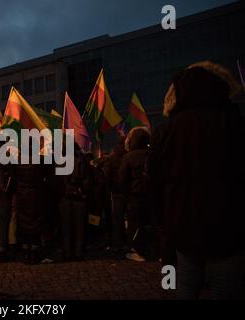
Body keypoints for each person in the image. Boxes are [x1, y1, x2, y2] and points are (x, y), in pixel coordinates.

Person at [148, 62, 245, 299]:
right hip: (229, 231)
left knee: (186, 289)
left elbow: (155, 183)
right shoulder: (237, 123)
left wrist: (165, 223)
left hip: (183, 230)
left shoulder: (167, 129)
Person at [119, 127, 153, 262]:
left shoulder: (128, 157)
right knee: (150, 223)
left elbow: (123, 178)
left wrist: (126, 193)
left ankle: (137, 251)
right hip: (151, 195)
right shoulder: (151, 154)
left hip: (135, 196)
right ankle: (154, 251)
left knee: (135, 224)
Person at [58, 146, 92, 261]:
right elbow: (87, 179)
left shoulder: (60, 162)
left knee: (66, 226)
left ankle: (67, 251)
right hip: (78, 196)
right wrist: (82, 191)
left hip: (65, 197)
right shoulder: (81, 161)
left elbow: (57, 181)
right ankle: (78, 252)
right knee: (79, 226)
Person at [105, 136, 127, 253]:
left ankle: (117, 243)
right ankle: (125, 242)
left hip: (116, 192)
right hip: (127, 192)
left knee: (117, 219)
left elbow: (107, 176)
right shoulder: (126, 156)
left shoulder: (112, 158)